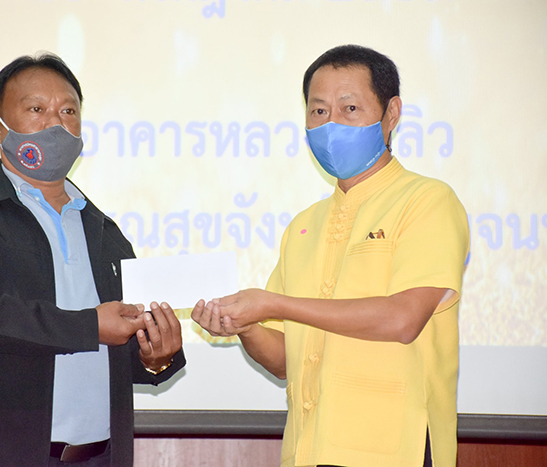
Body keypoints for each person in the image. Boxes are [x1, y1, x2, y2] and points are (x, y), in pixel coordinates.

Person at [192, 44, 469, 467]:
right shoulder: (304, 225)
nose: (331, 124)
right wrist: (244, 326)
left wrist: (275, 304)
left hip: (395, 451)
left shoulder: (427, 201)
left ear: (391, 114)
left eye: (350, 108)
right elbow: (284, 360)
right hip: (309, 449)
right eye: (319, 111)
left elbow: (403, 319)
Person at [0, 53, 185, 467]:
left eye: (68, 111)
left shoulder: (104, 231)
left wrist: (155, 355)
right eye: (36, 109)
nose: (56, 123)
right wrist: (88, 326)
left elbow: (120, 346)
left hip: (100, 457)